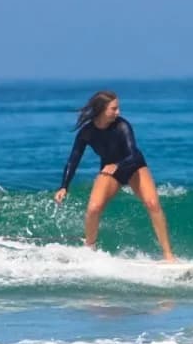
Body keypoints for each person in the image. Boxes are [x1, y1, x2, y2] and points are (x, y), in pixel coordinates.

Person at [54, 90, 175, 261]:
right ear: (101, 110)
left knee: (152, 203)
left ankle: (168, 255)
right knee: (93, 208)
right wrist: (64, 186)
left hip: (134, 167)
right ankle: (89, 249)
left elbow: (133, 154)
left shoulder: (122, 126)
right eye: (114, 109)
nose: (118, 112)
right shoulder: (87, 132)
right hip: (110, 171)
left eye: (118, 108)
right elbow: (73, 160)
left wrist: (117, 165)